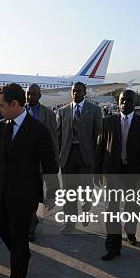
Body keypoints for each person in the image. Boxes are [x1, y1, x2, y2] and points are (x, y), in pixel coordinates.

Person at [0, 83, 58, 278]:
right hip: (2, 193)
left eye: (2, 105)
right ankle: (22, 253)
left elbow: (50, 166)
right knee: (1, 227)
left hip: (24, 198)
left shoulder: (38, 130)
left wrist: (52, 195)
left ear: (15, 105)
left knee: (18, 242)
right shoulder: (1, 127)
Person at [95, 90, 140, 260]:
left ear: (134, 103)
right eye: (122, 100)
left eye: (128, 101)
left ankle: (130, 230)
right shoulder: (108, 122)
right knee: (111, 209)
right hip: (112, 172)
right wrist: (96, 171)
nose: (124, 104)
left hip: (134, 173)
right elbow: (100, 148)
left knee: (132, 207)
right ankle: (112, 247)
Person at [56, 82, 102, 233]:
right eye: (73, 91)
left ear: (85, 92)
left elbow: (99, 136)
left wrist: (98, 159)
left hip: (86, 157)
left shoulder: (94, 110)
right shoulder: (63, 111)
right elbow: (58, 136)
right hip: (68, 157)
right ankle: (69, 223)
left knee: (86, 190)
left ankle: (86, 209)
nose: (75, 93)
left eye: (79, 91)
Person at [25, 84, 58, 242]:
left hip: (38, 165)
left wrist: (53, 163)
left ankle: (31, 227)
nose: (29, 97)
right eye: (27, 93)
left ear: (39, 96)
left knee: (33, 196)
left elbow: (53, 141)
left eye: (33, 94)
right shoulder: (19, 110)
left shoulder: (48, 114)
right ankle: (29, 223)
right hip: (21, 164)